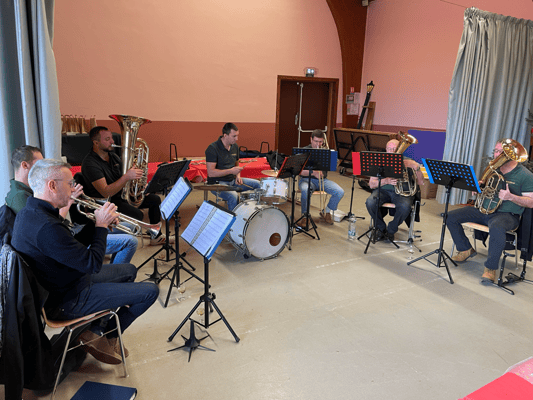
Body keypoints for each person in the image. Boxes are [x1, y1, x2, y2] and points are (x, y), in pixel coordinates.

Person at [12, 159, 159, 364]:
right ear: (52, 185)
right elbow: (93, 264)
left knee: (129, 270)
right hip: (67, 300)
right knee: (151, 291)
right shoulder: (46, 227)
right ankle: (110, 335)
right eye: (69, 183)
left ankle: (95, 330)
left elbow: (72, 246)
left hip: (69, 280)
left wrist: (98, 224)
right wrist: (101, 226)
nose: (73, 188)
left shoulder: (31, 212)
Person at [5, 145, 137, 264]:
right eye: (40, 164)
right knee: (130, 242)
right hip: (67, 246)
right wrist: (70, 201)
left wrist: (97, 221)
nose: (44, 168)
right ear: (24, 165)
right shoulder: (21, 198)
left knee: (130, 226)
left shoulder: (30, 195)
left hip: (69, 235)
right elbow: (54, 229)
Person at [446, 139, 533, 283]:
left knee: (497, 227)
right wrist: (478, 187)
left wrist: (511, 197)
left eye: (501, 152)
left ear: (512, 155)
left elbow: (531, 202)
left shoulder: (525, 175)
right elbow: (486, 187)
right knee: (450, 217)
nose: (496, 155)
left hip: (507, 215)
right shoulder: (493, 169)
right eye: (496, 151)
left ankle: (490, 268)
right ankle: (465, 249)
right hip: (485, 210)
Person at [81, 126, 171, 245]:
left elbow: (124, 179)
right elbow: (106, 192)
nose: (112, 141)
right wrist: (127, 176)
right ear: (96, 143)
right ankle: (120, 242)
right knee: (137, 214)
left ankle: (155, 236)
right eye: (107, 139)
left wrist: (140, 188)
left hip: (121, 195)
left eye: (111, 138)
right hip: (106, 202)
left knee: (154, 199)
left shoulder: (113, 156)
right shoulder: (90, 163)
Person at [365, 138, 424, 241]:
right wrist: (386, 181)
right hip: (383, 191)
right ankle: (381, 228)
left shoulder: (408, 161)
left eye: (395, 149)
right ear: (386, 149)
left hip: (402, 193)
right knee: (370, 202)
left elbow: (420, 182)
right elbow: (371, 184)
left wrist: (417, 168)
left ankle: (391, 230)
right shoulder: (379, 160)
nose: (392, 151)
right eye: (389, 148)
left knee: (405, 206)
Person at [205, 123, 261, 210]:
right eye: (234, 136)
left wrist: (238, 176)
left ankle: (251, 212)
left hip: (233, 180)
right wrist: (231, 171)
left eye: (237, 136)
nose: (236, 139)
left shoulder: (235, 146)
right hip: (217, 183)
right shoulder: (212, 148)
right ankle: (234, 217)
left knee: (258, 185)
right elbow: (211, 173)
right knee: (233, 196)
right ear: (225, 135)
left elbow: (236, 164)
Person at [298, 130, 345, 226]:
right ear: (311, 139)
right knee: (305, 190)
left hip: (323, 180)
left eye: (320, 142)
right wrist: (314, 173)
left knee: (339, 192)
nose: (318, 144)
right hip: (306, 179)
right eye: (316, 141)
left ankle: (326, 211)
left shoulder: (325, 152)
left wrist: (334, 163)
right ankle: (305, 216)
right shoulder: (304, 151)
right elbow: (299, 171)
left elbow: (332, 168)